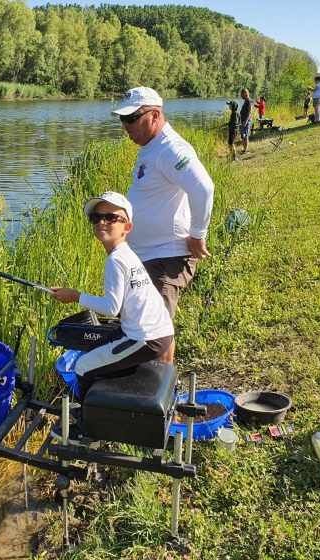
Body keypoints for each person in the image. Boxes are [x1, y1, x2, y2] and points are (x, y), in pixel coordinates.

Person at [111, 86, 214, 363]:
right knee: (145, 328)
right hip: (147, 256)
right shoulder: (151, 147)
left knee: (155, 334)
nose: (126, 126)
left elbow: (203, 188)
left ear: (155, 115)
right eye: (123, 119)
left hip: (166, 256)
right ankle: (150, 392)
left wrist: (197, 235)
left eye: (132, 119)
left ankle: (158, 398)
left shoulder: (171, 148)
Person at [51, 192, 174, 398]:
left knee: (82, 366)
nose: (102, 222)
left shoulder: (116, 260)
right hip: (158, 333)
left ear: (127, 227)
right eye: (96, 217)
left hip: (145, 338)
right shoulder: (126, 253)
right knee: (98, 348)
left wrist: (75, 296)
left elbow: (111, 308)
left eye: (110, 218)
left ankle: (84, 420)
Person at [238, 88, 253, 153]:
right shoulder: (246, 101)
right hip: (243, 121)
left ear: (245, 93)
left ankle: (245, 150)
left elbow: (249, 112)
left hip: (246, 121)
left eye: (241, 94)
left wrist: (245, 122)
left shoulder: (249, 101)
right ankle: (244, 149)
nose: (241, 96)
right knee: (243, 135)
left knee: (246, 135)